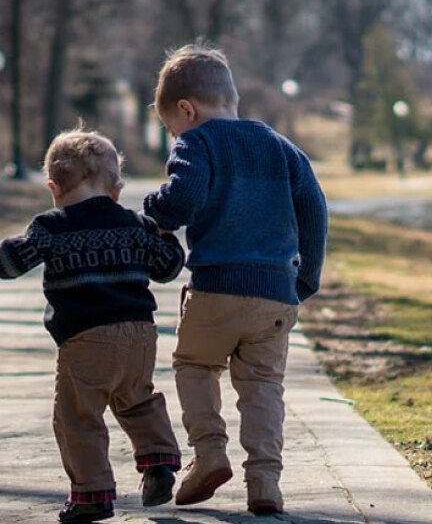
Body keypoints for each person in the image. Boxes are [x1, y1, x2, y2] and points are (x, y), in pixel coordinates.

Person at [0, 130, 185, 523]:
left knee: (77, 416)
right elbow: (168, 267)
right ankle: (158, 461)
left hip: (87, 338)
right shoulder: (135, 224)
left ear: (53, 188)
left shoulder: (51, 227)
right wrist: (165, 233)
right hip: (140, 335)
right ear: (115, 189)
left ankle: (92, 495)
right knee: (138, 399)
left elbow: (10, 260)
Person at [143, 44, 328, 515]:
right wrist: (306, 277)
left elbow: (181, 200)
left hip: (216, 288)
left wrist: (154, 210)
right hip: (275, 294)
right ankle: (265, 482)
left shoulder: (197, 142)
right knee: (264, 384)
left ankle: (208, 454)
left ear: (188, 110)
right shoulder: (281, 147)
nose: (174, 136)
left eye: (171, 128)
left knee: (195, 366)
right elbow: (315, 209)